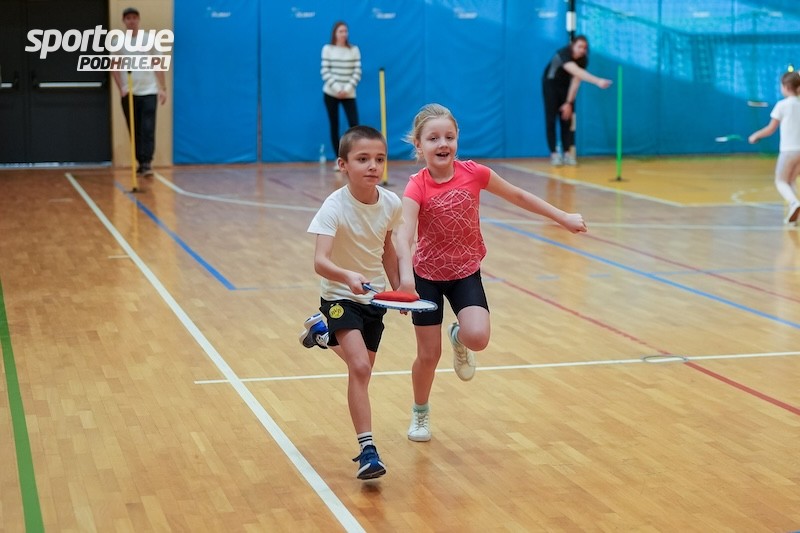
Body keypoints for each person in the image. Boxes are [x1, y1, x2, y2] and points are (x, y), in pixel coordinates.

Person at [395, 103, 588, 443]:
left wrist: (562, 217)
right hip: (426, 276)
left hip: (465, 271)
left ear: (457, 139)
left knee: (478, 338)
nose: (443, 144)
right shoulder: (416, 186)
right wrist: (405, 279)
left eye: (449, 136)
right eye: (433, 138)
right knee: (428, 356)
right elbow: (404, 233)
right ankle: (420, 412)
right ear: (418, 145)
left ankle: (459, 338)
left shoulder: (475, 173)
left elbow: (519, 195)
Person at [297, 125, 410, 480]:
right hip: (339, 296)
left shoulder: (391, 204)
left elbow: (387, 250)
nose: (373, 166)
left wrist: (398, 290)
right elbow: (320, 261)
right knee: (360, 367)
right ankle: (368, 450)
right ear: (343, 164)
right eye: (363, 159)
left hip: (373, 298)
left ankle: (321, 334)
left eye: (379, 159)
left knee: (363, 369)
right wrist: (346, 276)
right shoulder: (334, 206)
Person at [111, 7, 167, 177]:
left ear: (139, 20)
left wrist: (162, 88)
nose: (132, 21)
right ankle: (139, 161)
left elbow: (158, 63)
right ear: (124, 21)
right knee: (134, 129)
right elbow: (114, 66)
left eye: (134, 18)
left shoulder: (149, 39)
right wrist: (121, 87)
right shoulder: (118, 42)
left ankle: (146, 163)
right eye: (128, 18)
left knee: (148, 127)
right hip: (129, 92)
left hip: (149, 90)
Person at [541, 35, 612, 166]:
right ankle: (554, 154)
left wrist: (569, 103)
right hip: (550, 84)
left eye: (585, 48)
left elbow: (576, 81)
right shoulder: (563, 54)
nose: (582, 50)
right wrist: (598, 81)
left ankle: (567, 154)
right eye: (580, 47)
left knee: (567, 118)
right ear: (572, 46)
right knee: (551, 119)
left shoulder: (583, 60)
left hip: (566, 87)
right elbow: (577, 72)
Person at [748, 70, 800, 225]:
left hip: (788, 151)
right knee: (791, 181)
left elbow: (771, 129)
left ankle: (794, 203)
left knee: (781, 181)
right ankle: (795, 211)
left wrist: (756, 135)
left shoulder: (782, 105)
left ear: (785, 87)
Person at [321, 21, 362, 169]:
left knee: (354, 125)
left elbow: (357, 71)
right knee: (335, 125)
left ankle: (357, 157)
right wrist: (337, 89)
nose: (344, 34)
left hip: (349, 93)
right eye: (341, 31)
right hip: (331, 93)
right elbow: (325, 71)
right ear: (335, 33)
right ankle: (340, 160)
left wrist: (347, 89)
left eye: (345, 31)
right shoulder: (327, 49)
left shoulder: (354, 50)